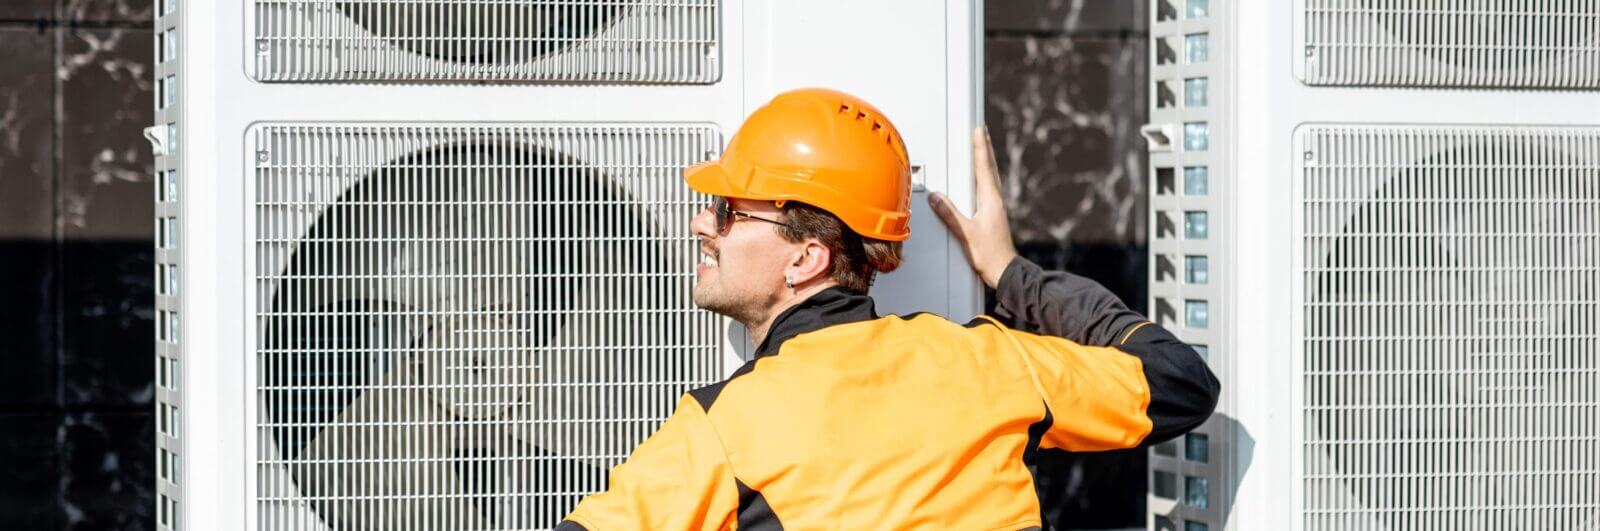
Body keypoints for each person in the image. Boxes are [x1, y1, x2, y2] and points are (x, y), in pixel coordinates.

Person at [556, 88, 1219, 530]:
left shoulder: (722, 427)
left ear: (805, 259)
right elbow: (1180, 379)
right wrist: (1010, 273)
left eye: (730, 209)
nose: (704, 221)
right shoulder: (989, 362)